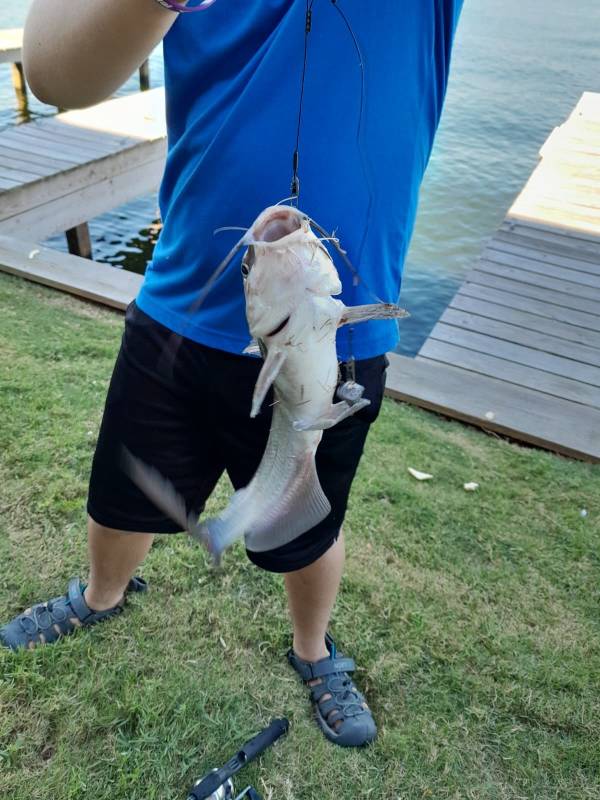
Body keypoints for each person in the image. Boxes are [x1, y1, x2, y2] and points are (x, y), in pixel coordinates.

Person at [1, 0, 463, 748]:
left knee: (312, 522)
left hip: (332, 339)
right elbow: (53, 70)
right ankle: (100, 595)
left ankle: (313, 651)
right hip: (182, 303)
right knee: (121, 496)